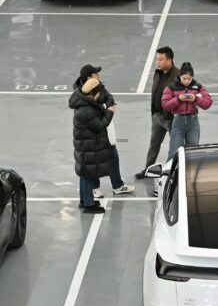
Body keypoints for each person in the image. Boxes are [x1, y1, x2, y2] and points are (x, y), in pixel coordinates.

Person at [72, 64, 134, 197]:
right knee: (92, 160)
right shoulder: (82, 92)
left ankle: (117, 185)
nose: (99, 76)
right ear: (89, 78)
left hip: (104, 128)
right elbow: (97, 109)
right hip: (94, 132)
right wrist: (105, 108)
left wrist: (103, 106)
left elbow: (110, 98)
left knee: (113, 155)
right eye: (96, 74)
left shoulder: (99, 86)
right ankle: (95, 188)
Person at [69, 78, 116, 214]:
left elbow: (96, 111)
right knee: (88, 174)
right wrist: (110, 112)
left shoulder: (84, 103)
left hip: (85, 146)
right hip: (88, 147)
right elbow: (99, 125)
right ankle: (88, 204)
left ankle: (84, 200)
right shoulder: (85, 110)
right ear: (93, 93)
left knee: (85, 174)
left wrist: (104, 108)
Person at [134, 47, 180, 179]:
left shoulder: (177, 76)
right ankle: (148, 170)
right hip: (157, 116)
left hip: (170, 118)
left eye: (160, 59)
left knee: (174, 147)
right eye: (156, 59)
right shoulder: (158, 73)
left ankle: (171, 172)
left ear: (169, 60)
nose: (157, 62)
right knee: (154, 144)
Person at [161, 63, 214, 159]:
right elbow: (165, 105)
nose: (186, 81)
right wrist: (178, 99)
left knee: (193, 152)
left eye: (189, 79)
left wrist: (195, 99)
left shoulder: (198, 87)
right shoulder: (171, 88)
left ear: (192, 77)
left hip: (193, 122)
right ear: (180, 77)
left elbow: (208, 103)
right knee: (174, 153)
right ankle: (171, 172)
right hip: (178, 122)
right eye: (184, 78)